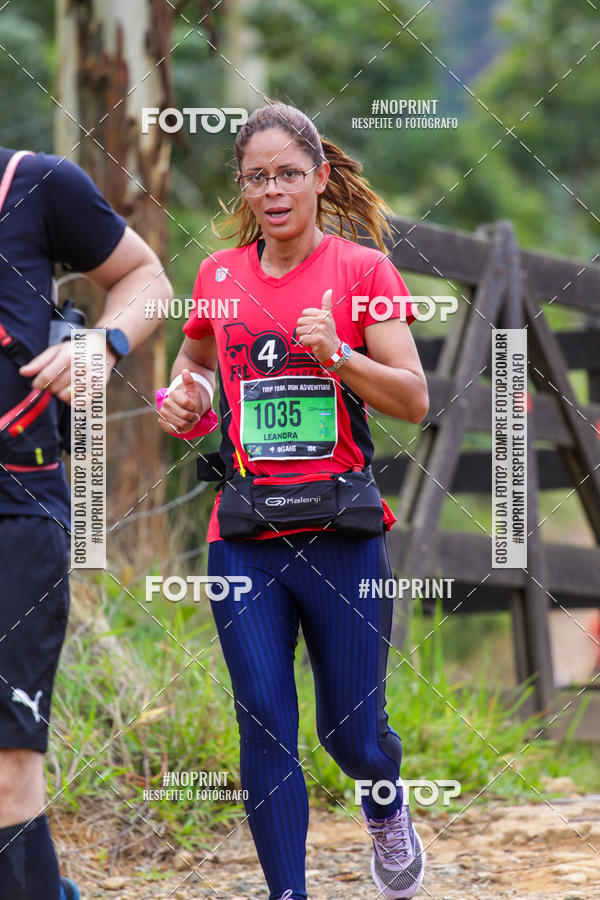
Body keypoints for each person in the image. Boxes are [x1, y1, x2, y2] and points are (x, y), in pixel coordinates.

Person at [158, 102, 429, 900]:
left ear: (318, 177)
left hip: (342, 530)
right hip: (244, 532)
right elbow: (197, 374)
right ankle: (288, 893)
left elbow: (413, 400)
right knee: (265, 721)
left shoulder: (364, 272)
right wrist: (187, 406)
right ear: (243, 188)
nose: (272, 190)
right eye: (256, 178)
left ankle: (384, 798)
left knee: (352, 736)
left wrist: (338, 355)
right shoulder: (217, 275)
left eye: (286, 174)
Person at [0, 146, 172, 900]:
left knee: (8, 760)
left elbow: (147, 278)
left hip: (18, 500)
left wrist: (105, 344)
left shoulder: (33, 184)